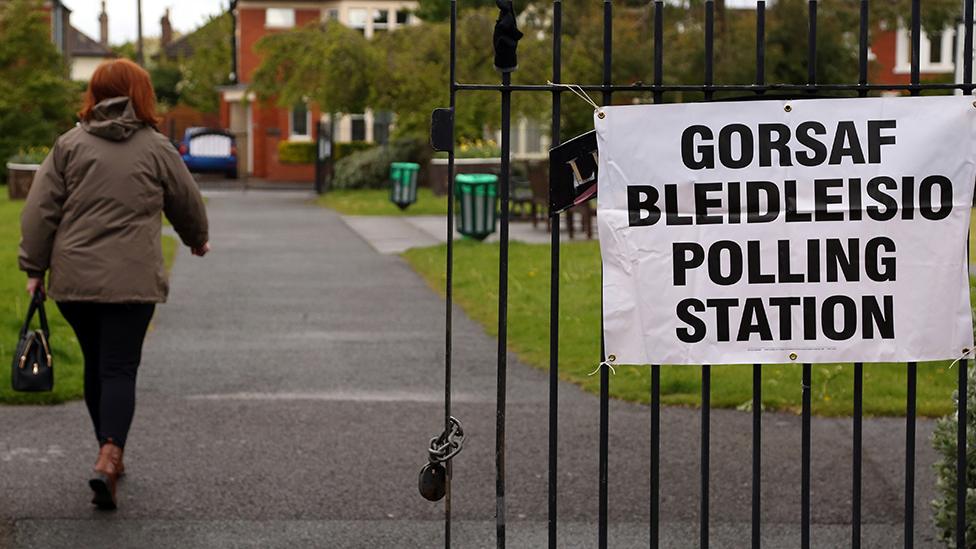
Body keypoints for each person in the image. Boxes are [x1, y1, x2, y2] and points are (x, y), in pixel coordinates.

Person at [18, 58, 209, 510]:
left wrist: (33, 269)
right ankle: (110, 454)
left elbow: (39, 211)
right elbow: (187, 201)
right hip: (132, 281)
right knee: (119, 367)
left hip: (75, 281)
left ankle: (109, 452)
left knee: (95, 364)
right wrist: (196, 240)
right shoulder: (157, 147)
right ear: (141, 95)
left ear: (95, 94)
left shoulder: (68, 146)